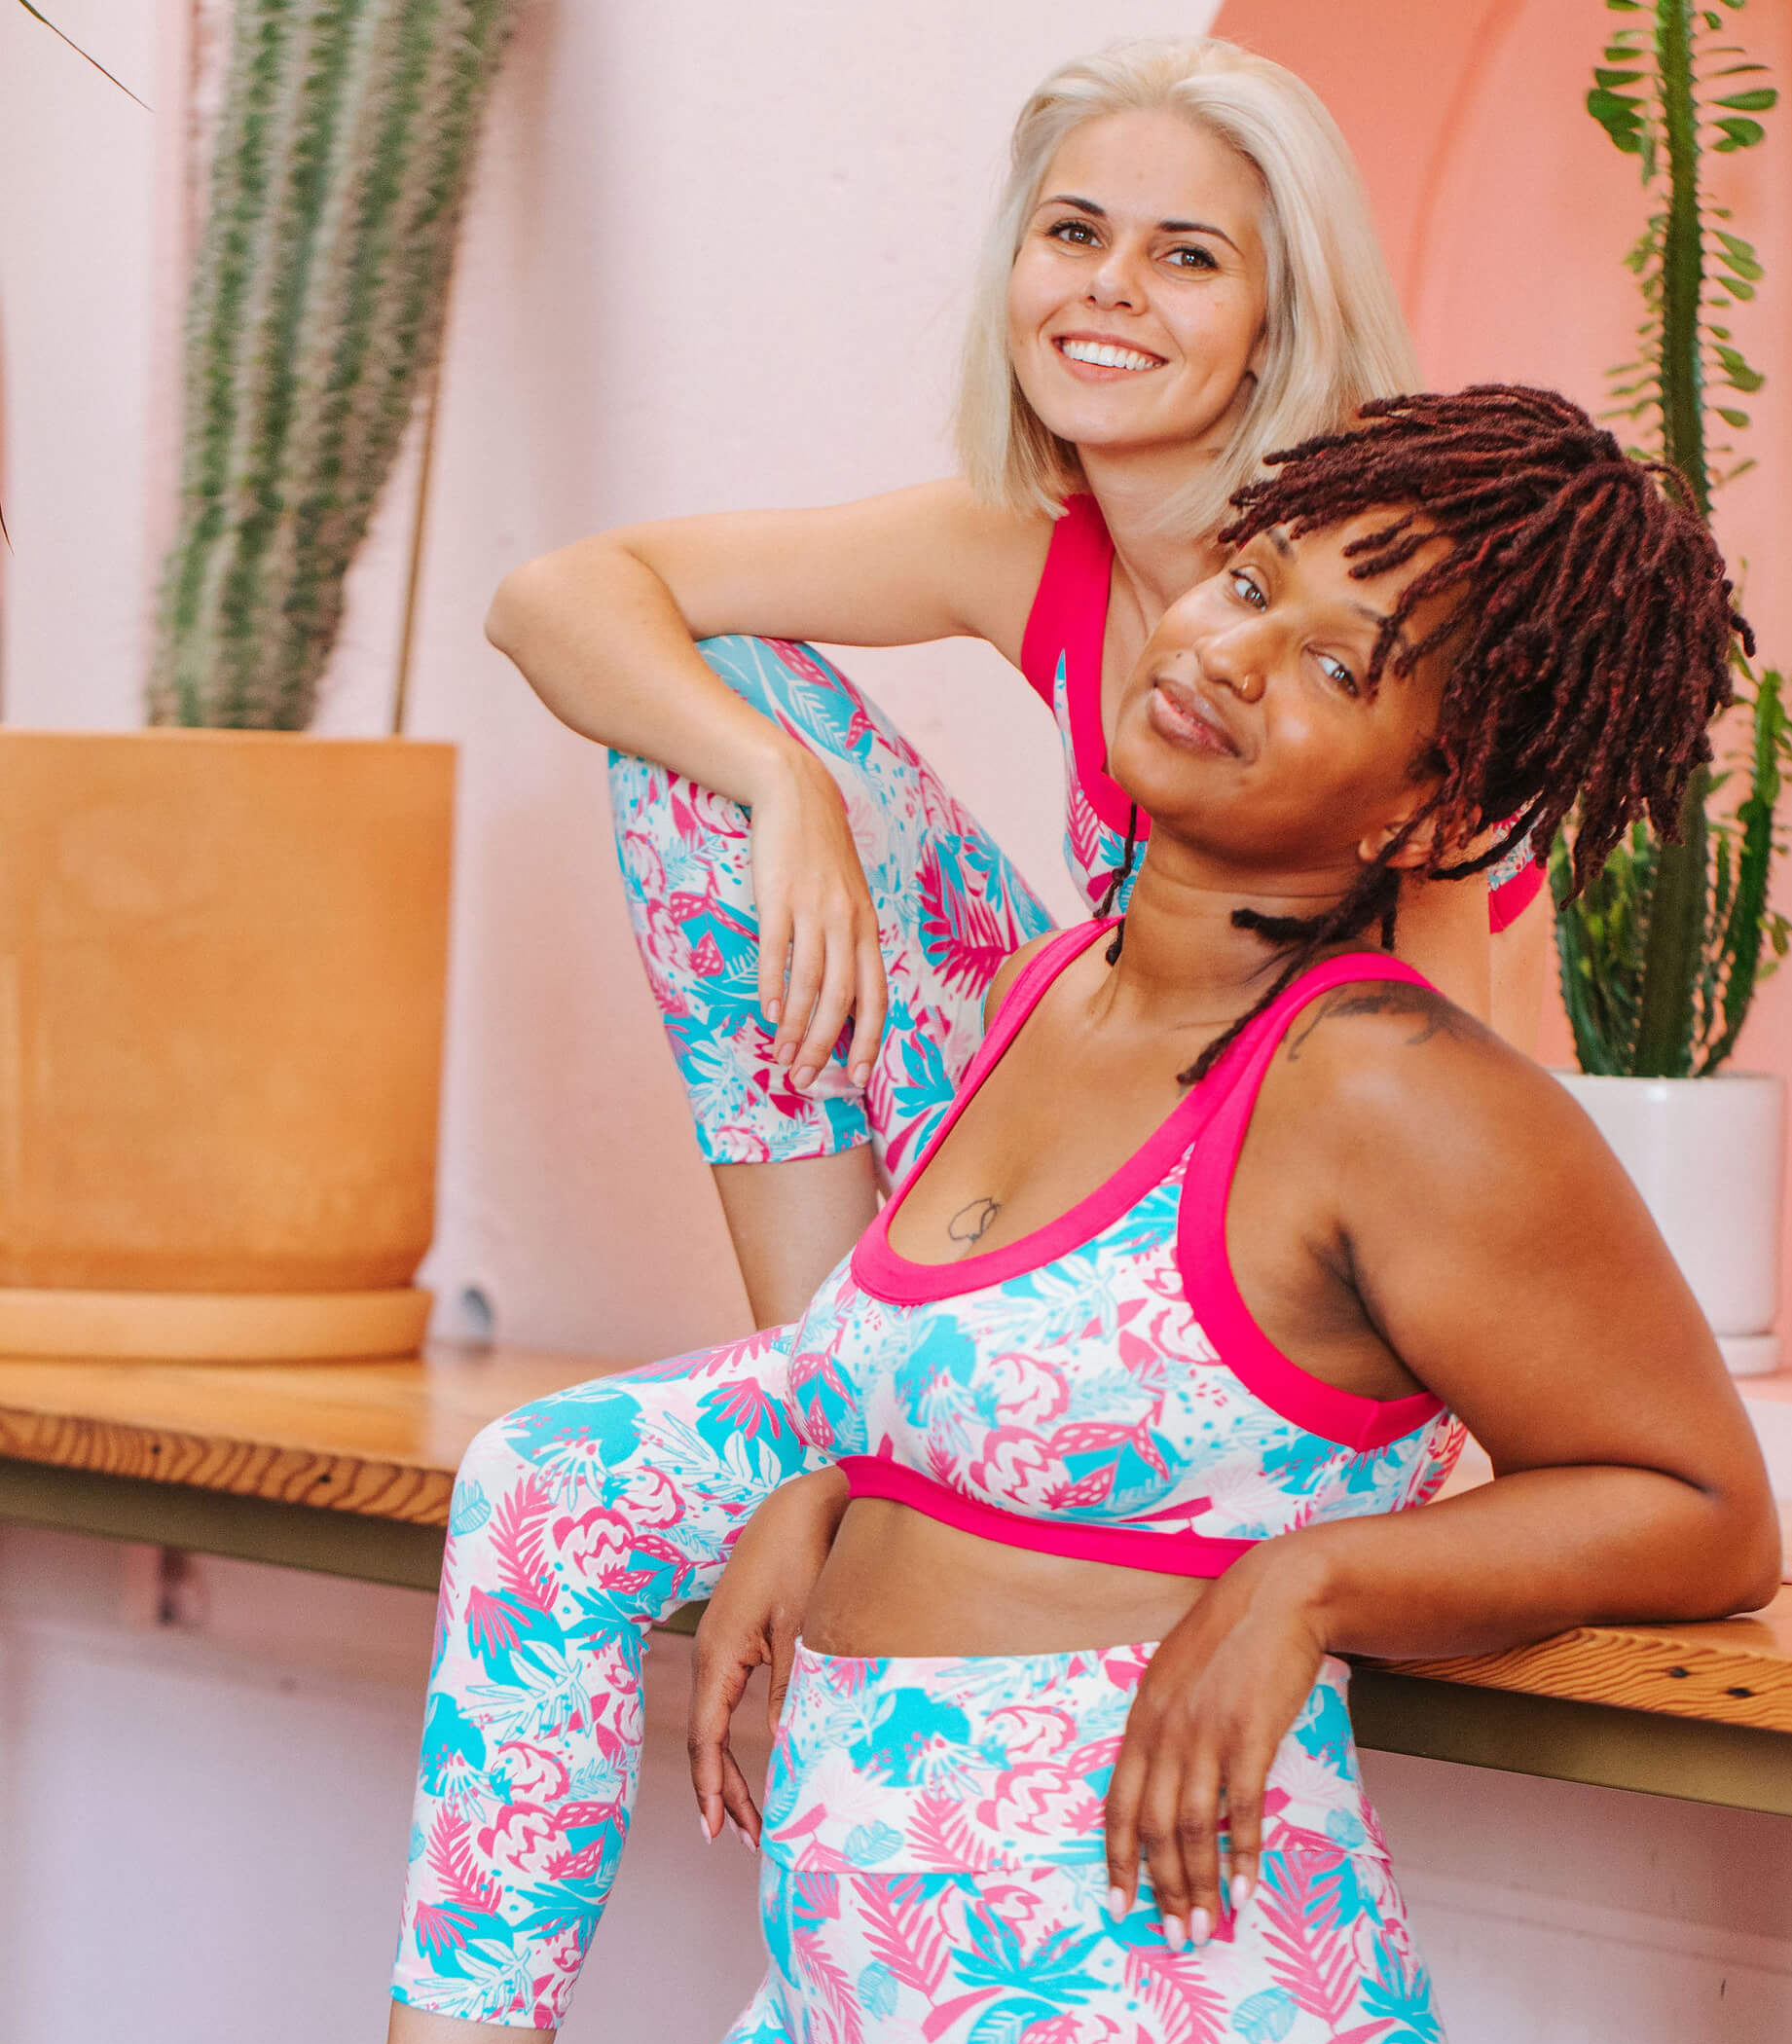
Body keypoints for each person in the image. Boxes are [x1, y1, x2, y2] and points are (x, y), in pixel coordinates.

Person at [83, 386, 1779, 2044]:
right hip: (842, 2033)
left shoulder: (1389, 1094)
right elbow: (956, 1381)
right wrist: (822, 1473)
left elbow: (1700, 1503)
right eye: (1245, 583)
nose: (1229, 647)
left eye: (1337, 663)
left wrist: (1313, 1578)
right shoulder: (1053, 984)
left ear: (1431, 814)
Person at [486, 34, 1552, 1332]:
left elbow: (1457, 1080)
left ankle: (863, 1404)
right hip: (1091, 1131)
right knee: (720, 697)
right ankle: (818, 1375)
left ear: (1281, 323)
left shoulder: (1385, 588)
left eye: (1187, 256)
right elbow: (555, 599)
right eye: (1073, 233)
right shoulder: (1031, 542)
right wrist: (783, 783)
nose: (1108, 289)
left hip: (1283, 1247)